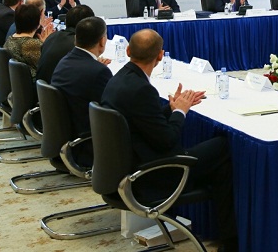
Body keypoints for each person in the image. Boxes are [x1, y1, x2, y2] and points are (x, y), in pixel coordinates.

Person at [101, 29, 236, 251]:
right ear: (161, 55)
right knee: (223, 146)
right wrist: (180, 112)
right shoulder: (142, 89)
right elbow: (167, 140)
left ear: (128, 51)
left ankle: (227, 239)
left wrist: (170, 108)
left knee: (219, 164)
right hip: (149, 176)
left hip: (119, 170)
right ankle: (230, 241)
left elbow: (143, 121)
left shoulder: (120, 79)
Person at [50, 17, 112, 165]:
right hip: (86, 146)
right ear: (102, 41)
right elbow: (111, 110)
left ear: (76, 39)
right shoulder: (98, 72)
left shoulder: (65, 60)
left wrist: (96, 66)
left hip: (64, 137)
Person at [36, 4, 96, 84]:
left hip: (42, 88)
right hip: (59, 89)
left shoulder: (52, 37)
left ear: (66, 21)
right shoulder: (79, 45)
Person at [4, 3, 53, 78]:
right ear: (37, 23)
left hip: (18, 81)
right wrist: (47, 42)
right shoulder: (31, 44)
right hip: (33, 82)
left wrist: (42, 43)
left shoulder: (10, 39)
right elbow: (46, 67)